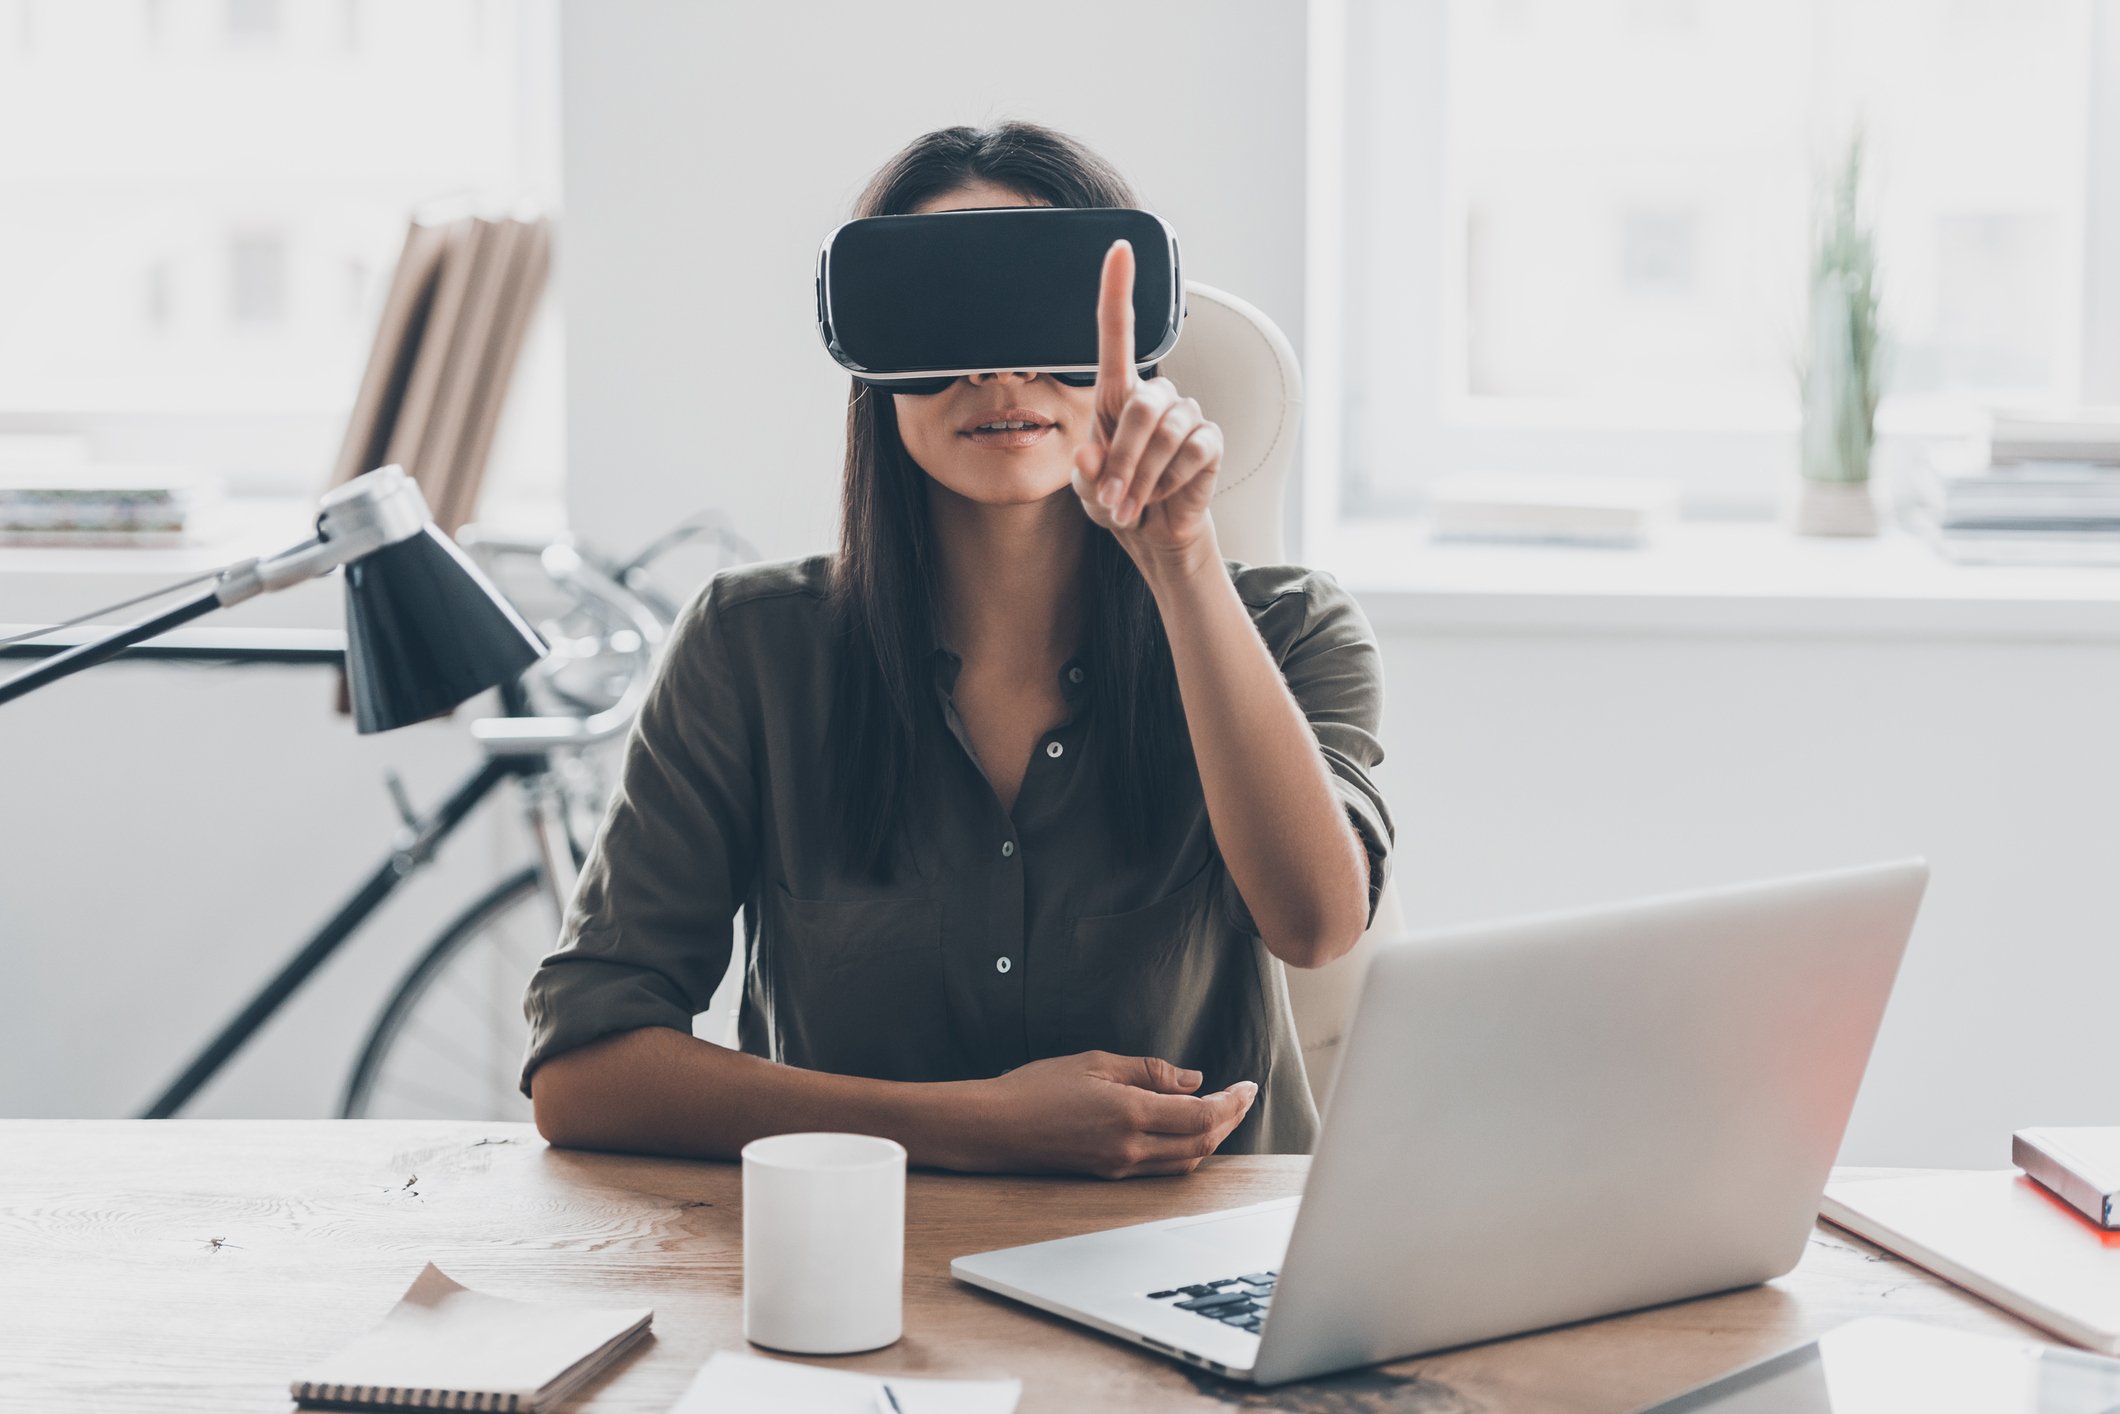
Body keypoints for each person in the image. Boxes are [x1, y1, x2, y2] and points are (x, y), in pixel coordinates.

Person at [522, 121, 1391, 1179]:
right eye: (946, 315)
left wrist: (1181, 560)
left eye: (1041, 309)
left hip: (1193, 1261)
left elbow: (1314, 925)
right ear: (876, 364)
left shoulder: (1290, 627)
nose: (999, 365)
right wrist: (975, 1125)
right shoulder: (749, 653)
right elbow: (584, 1071)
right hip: (859, 1266)